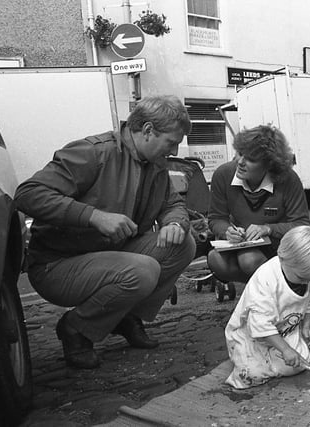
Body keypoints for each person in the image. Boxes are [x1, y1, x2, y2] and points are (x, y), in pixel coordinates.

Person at [14, 95, 197, 369]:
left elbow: (172, 204)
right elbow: (28, 194)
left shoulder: (155, 164)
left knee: (183, 244)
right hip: (57, 264)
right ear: (147, 131)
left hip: (112, 254)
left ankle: (125, 317)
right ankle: (76, 329)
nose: (173, 151)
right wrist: (93, 216)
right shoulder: (94, 153)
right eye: (171, 142)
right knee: (143, 270)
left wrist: (174, 223)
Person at [225, 225, 310, 389]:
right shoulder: (265, 281)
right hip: (250, 335)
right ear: (282, 257)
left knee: (300, 361)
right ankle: (254, 359)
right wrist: (286, 350)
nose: (305, 283)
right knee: (251, 375)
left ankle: (273, 360)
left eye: (309, 279)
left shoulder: (305, 277)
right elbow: (260, 324)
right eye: (301, 277)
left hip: (283, 330)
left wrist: (306, 326)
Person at [207, 125, 310, 284]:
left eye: (251, 159)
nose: (240, 162)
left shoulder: (288, 179)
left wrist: (268, 229)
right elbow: (216, 218)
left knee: (249, 259)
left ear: (269, 164)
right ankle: (263, 288)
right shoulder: (223, 174)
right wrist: (227, 231)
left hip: (279, 247)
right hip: (242, 245)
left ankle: (277, 288)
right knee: (215, 259)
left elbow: (301, 225)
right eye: (240, 154)